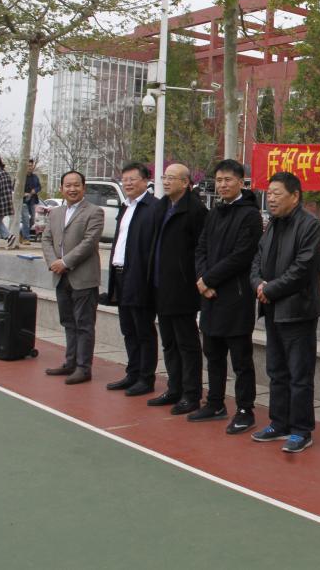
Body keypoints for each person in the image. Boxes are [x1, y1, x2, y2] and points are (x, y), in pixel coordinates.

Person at [249, 171, 320, 454]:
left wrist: (270, 289)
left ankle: (301, 430)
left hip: (297, 311)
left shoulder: (310, 225)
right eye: (269, 193)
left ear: (295, 196)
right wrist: (258, 284)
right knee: (276, 371)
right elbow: (257, 260)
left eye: (277, 194)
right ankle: (278, 422)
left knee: (299, 374)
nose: (271, 199)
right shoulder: (272, 224)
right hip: (272, 309)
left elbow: (303, 268)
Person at [191, 159, 262, 432]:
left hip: (236, 297)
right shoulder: (215, 212)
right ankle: (215, 403)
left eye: (228, 180)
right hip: (210, 296)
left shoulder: (250, 215)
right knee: (213, 353)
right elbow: (201, 248)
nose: (222, 185)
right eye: (219, 180)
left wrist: (208, 279)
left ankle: (245, 410)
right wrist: (202, 280)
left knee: (241, 359)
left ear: (241, 182)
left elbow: (242, 256)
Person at [146, 163, 208, 416]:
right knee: (169, 342)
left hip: (183, 287)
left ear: (186, 182)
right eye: (164, 177)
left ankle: (191, 394)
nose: (166, 181)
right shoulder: (161, 206)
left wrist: (197, 279)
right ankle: (174, 388)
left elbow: (202, 250)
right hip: (160, 285)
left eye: (172, 178)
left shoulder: (195, 210)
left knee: (187, 343)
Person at [42, 170, 104, 385]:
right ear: (61, 188)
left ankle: (83, 368)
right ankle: (70, 362)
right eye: (68, 185)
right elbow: (46, 239)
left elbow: (89, 242)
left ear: (84, 188)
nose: (72, 189)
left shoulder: (94, 212)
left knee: (84, 324)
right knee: (68, 321)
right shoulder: (55, 213)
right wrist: (53, 262)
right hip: (60, 277)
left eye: (76, 185)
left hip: (83, 277)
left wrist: (65, 262)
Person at [103, 162, 159, 397]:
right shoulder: (125, 206)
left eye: (132, 179)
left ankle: (146, 378)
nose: (127, 183)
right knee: (128, 329)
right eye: (124, 179)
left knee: (143, 329)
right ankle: (133, 373)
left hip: (140, 277)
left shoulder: (154, 208)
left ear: (145, 181)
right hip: (120, 274)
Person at [20, 159, 41, 246]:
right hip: (23, 201)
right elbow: (15, 188)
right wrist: (23, 193)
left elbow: (39, 187)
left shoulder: (35, 177)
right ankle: (26, 238)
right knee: (26, 219)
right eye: (28, 166)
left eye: (31, 166)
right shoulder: (21, 177)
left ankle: (21, 233)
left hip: (32, 201)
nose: (30, 167)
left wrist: (35, 190)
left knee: (32, 220)